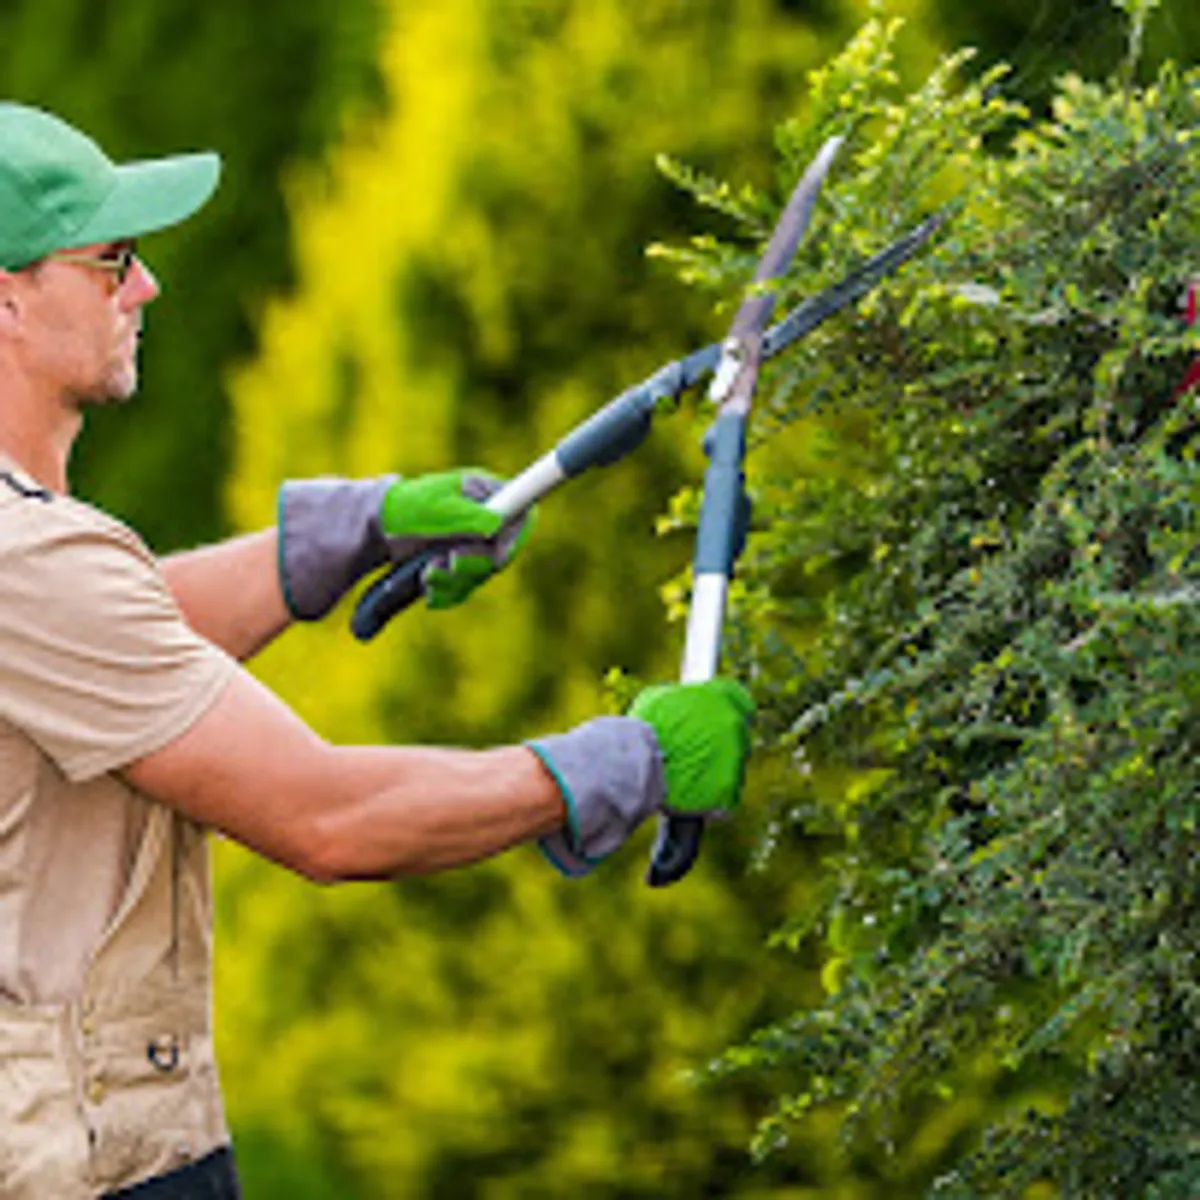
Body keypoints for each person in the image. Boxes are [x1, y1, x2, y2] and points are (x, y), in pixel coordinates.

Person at [0, 103, 754, 1199]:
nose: (146, 287)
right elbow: (330, 818)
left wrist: (346, 531)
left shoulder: (30, 554)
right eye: (111, 261)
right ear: (7, 299)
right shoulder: (28, 559)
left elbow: (113, 641)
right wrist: (623, 764)